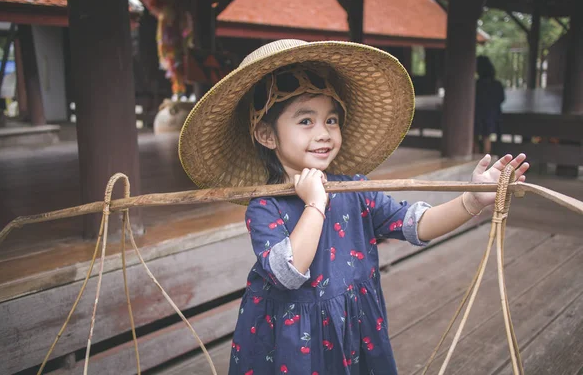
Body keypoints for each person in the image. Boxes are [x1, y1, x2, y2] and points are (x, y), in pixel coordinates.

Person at [178, 40, 529, 374]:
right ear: (268, 135)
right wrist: (315, 203)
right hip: (289, 346)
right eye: (305, 121)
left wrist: (471, 200)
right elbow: (287, 272)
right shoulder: (266, 207)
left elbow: (415, 224)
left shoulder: (355, 190)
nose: (324, 133)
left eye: (331, 120)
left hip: (354, 330)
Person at [475, 55, 505, 154]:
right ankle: (486, 160)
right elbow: (501, 99)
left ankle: (477, 157)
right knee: (486, 136)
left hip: (477, 114)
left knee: (475, 136)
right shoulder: (497, 84)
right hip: (492, 115)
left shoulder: (476, 84)